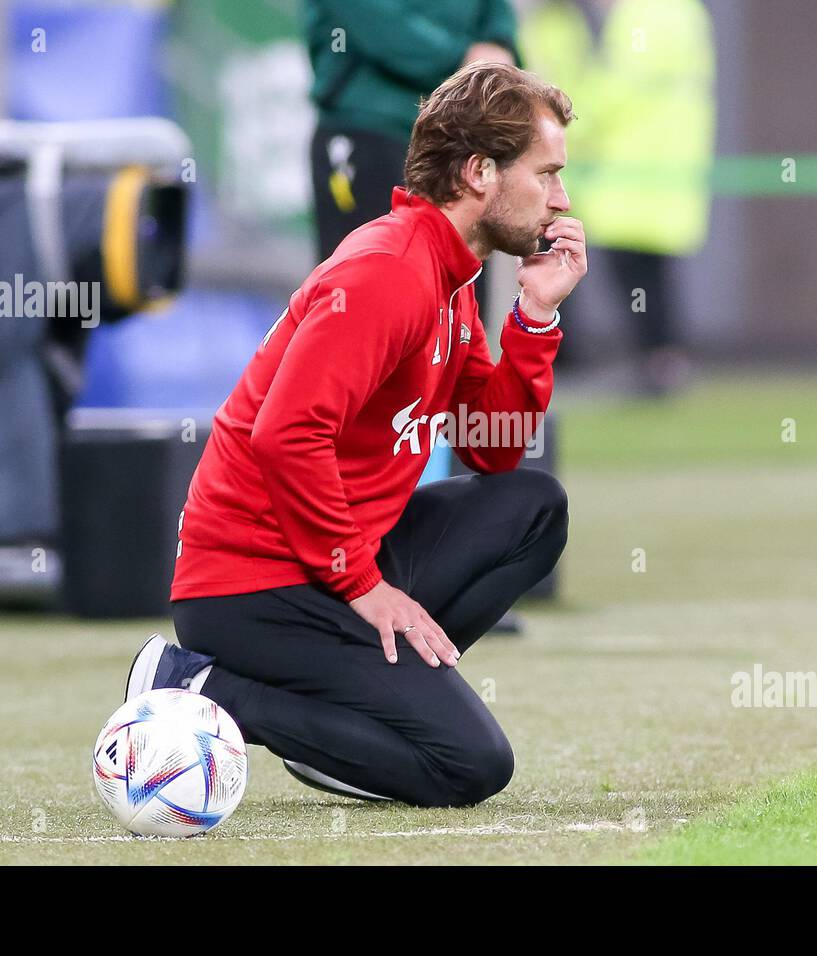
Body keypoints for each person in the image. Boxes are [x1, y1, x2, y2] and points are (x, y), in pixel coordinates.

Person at [124, 63, 586, 808]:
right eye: (547, 174)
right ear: (478, 172)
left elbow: (488, 446)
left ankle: (348, 722)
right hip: (254, 586)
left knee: (533, 508)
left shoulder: (449, 273)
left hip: (332, 557)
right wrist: (362, 586)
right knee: (472, 766)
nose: (561, 199)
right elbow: (286, 434)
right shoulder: (390, 272)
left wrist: (536, 316)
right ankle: (204, 687)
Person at [522, 0, 715, 394]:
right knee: (637, 267)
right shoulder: (673, 13)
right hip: (643, 165)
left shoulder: (647, 15)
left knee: (629, 266)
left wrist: (569, 124)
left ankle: (654, 361)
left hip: (630, 165)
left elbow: (619, 90)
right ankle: (655, 360)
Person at [302, 0, 520, 262]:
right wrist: (464, 57)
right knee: (367, 279)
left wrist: (498, 47)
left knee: (457, 290)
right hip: (368, 131)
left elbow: (497, 23)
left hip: (459, 141)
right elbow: (377, 23)